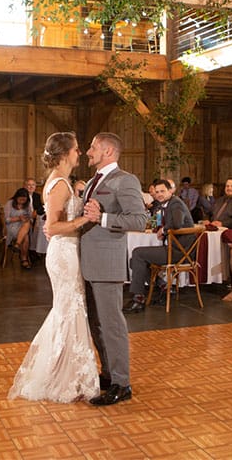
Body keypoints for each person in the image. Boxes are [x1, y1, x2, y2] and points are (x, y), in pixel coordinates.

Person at [8, 132, 99, 403]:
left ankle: (68, 372)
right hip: (64, 254)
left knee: (69, 310)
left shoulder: (61, 182)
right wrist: (85, 218)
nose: (79, 153)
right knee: (70, 310)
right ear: (64, 154)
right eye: (76, 149)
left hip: (66, 252)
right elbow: (53, 227)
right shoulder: (60, 184)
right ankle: (64, 376)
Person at [80, 132, 148, 406]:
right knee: (96, 324)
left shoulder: (125, 180)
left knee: (112, 325)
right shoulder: (94, 182)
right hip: (88, 263)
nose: (88, 151)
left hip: (107, 264)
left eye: (93, 147)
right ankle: (108, 374)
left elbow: (140, 220)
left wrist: (103, 217)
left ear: (108, 151)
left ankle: (123, 383)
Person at [124, 179, 195, 314]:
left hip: (180, 252)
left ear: (170, 191)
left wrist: (165, 229)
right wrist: (161, 228)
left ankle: (138, 299)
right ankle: (163, 285)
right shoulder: (163, 205)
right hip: (173, 249)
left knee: (138, 253)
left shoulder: (176, 204)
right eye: (157, 192)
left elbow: (178, 223)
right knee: (135, 260)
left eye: (162, 191)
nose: (159, 194)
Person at [4, 188, 33, 269]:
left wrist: (27, 218)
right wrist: (19, 218)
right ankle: (24, 259)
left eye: (24, 200)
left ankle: (17, 245)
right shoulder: (9, 203)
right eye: (20, 200)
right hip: (12, 226)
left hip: (24, 226)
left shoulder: (27, 205)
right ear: (16, 197)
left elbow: (31, 217)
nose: (22, 202)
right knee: (25, 237)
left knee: (27, 225)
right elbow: (6, 219)